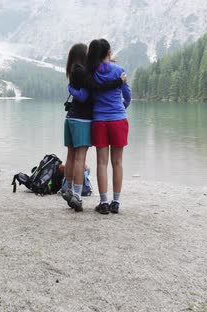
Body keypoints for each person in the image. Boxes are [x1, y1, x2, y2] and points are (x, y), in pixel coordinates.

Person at [62, 43, 126, 212]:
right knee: (112, 161)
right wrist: (120, 93)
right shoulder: (94, 73)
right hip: (102, 119)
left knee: (91, 161)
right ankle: (111, 201)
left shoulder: (82, 72)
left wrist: (107, 60)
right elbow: (122, 92)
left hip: (85, 119)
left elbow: (91, 85)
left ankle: (96, 200)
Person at [85, 39, 131, 215]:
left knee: (101, 162)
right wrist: (122, 107)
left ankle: (103, 202)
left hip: (100, 120)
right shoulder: (119, 71)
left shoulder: (92, 73)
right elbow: (127, 94)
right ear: (109, 52)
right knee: (117, 162)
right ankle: (116, 202)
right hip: (118, 119)